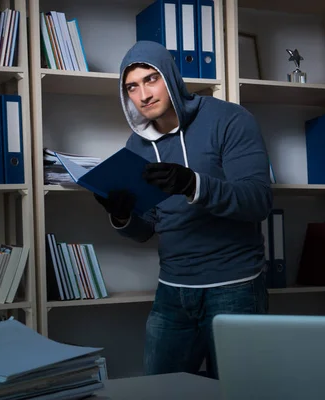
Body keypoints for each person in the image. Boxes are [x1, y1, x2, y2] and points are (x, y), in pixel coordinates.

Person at [93, 40, 273, 379]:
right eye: (132, 87)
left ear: (171, 78)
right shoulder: (136, 146)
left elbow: (258, 200)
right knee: (161, 391)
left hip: (235, 287)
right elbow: (145, 230)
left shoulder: (230, 119)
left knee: (241, 391)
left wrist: (192, 184)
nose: (143, 94)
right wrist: (121, 215)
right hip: (173, 289)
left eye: (151, 79)